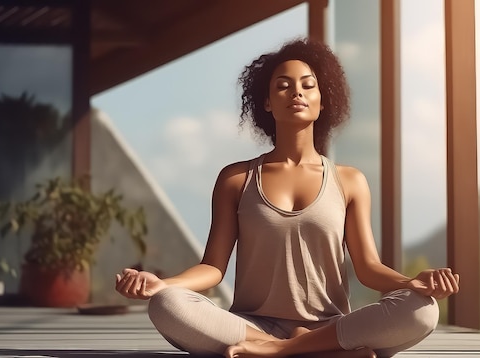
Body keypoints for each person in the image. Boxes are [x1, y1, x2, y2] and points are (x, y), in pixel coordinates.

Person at [115, 38, 460, 358]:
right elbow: (213, 267)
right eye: (283, 85)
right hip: (253, 326)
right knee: (166, 305)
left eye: (308, 85)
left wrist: (410, 283)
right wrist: (163, 284)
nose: (296, 92)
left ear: (322, 101)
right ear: (267, 101)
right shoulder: (236, 178)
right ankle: (314, 352)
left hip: (329, 325)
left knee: (423, 309)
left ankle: (283, 351)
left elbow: (368, 268)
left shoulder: (350, 181)